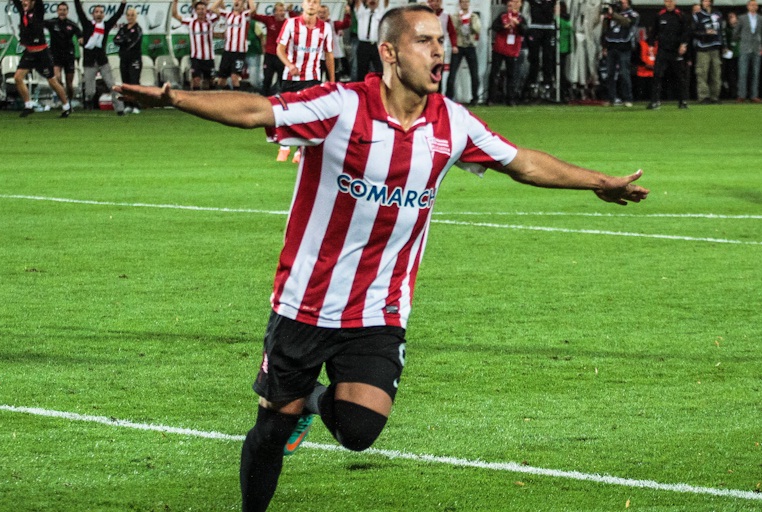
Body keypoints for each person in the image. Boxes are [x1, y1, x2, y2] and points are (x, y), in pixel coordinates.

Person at [117, 5, 649, 511]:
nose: (439, 50)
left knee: (359, 430)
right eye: (424, 41)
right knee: (272, 428)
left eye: (441, 40)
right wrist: (171, 96)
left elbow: (523, 162)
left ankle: (312, 401)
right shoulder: (340, 106)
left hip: (380, 307)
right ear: (389, 53)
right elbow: (258, 110)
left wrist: (599, 182)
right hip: (306, 300)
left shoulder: (453, 123)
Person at [274, 0, 334, 163]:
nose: (312, 4)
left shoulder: (325, 28)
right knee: (286, 113)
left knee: (307, 116)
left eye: (315, 2)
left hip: (312, 77)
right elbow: (279, 48)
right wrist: (289, 65)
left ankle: (300, 151)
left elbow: (329, 54)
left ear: (319, 6)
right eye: (309, 1)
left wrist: (332, 81)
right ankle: (284, 147)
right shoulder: (291, 23)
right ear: (302, 4)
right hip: (290, 77)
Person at [12, 0, 73, 117]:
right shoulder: (23, 11)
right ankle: (28, 106)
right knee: (18, 78)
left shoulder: (38, 11)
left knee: (52, 81)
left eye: (26, 0)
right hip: (29, 52)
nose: (23, 2)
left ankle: (66, 106)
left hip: (42, 54)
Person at [74, 0, 126, 113]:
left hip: (103, 62)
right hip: (89, 62)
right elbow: (79, 12)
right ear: (93, 14)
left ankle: (120, 109)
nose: (99, 14)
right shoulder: (87, 25)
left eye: (101, 12)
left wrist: (123, 4)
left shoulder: (106, 26)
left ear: (103, 15)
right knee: (90, 91)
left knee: (112, 85)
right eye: (96, 12)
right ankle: (88, 102)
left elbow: (117, 16)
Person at [647, 0, 691, 109]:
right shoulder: (659, 15)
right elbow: (653, 32)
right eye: (667, 1)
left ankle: (683, 101)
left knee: (680, 76)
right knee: (657, 75)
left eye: (671, 1)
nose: (669, 3)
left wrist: (683, 44)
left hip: (676, 50)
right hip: (663, 50)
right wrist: (651, 45)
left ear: (675, 2)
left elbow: (686, 31)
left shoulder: (681, 15)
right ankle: (655, 101)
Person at [173, 0, 219, 90]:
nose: (201, 11)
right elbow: (175, 15)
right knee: (196, 80)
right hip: (196, 58)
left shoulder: (211, 21)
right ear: (195, 11)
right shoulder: (190, 22)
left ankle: (211, 98)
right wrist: (175, 2)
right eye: (198, 9)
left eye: (203, 9)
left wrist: (213, 9)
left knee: (211, 81)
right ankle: (195, 97)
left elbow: (219, 15)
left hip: (209, 58)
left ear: (206, 10)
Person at [488, 0, 527, 105]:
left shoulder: (521, 18)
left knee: (511, 75)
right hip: (500, 48)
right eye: (510, 5)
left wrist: (518, 24)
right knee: (494, 73)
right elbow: (494, 27)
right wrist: (503, 27)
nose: (512, 7)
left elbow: (524, 31)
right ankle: (491, 98)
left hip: (512, 50)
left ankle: (510, 99)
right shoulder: (502, 16)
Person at [601, 0, 639, 107]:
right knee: (610, 74)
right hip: (611, 46)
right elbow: (605, 30)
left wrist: (613, 14)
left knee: (624, 73)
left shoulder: (633, 14)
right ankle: (611, 98)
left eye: (624, 2)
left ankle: (627, 98)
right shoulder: (611, 14)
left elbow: (627, 22)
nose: (622, 4)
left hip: (624, 47)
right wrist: (604, 45)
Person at [44, 1, 82, 104]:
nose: (62, 12)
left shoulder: (72, 24)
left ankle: (70, 101)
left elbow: (80, 35)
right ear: (57, 11)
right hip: (56, 55)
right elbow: (39, 23)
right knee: (56, 78)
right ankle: (63, 98)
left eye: (64, 10)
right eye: (60, 10)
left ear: (67, 11)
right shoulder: (52, 23)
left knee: (69, 83)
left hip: (69, 56)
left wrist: (81, 40)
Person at [213, 0, 256, 90]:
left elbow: (253, 9)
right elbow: (213, 8)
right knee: (221, 80)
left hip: (239, 53)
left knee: (234, 78)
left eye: (239, 0)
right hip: (227, 52)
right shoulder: (227, 15)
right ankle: (227, 95)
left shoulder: (245, 15)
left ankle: (237, 97)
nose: (237, 2)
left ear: (243, 3)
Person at [445, 0, 481, 104]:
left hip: (470, 46)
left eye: (466, 2)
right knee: (452, 73)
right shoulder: (455, 16)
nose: (465, 4)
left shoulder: (474, 16)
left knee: (474, 74)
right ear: (460, 4)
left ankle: (475, 98)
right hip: (458, 46)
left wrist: (470, 23)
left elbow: (477, 29)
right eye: (463, 2)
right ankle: (449, 97)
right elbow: (452, 30)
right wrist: (460, 22)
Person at [252, 2, 290, 95]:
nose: (282, 13)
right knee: (267, 80)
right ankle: (264, 99)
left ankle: (283, 100)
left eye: (283, 11)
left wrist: (291, 11)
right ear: (275, 12)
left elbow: (299, 20)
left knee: (283, 81)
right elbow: (254, 16)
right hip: (270, 56)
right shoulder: (269, 20)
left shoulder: (288, 22)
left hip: (282, 56)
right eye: (280, 10)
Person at [691, 0, 724, 103]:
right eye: (704, 1)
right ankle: (703, 96)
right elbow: (693, 31)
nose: (705, 3)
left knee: (716, 74)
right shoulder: (697, 16)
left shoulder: (718, 14)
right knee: (702, 73)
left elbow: (721, 31)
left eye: (707, 1)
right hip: (703, 48)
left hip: (715, 48)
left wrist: (723, 45)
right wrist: (705, 33)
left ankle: (715, 96)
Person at [113, 7, 144, 114]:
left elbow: (133, 43)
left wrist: (123, 40)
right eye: (128, 15)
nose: (130, 17)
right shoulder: (123, 28)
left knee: (134, 83)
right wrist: (124, 40)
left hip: (134, 59)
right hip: (123, 59)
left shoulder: (138, 29)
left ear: (136, 16)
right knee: (125, 83)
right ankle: (128, 105)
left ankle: (136, 105)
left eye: (132, 15)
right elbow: (116, 40)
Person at [525, 0, 557, 99]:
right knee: (534, 58)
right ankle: (532, 83)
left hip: (549, 29)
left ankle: (547, 83)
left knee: (548, 58)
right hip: (535, 28)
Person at [427, 0, 458, 93]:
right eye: (433, 1)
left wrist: (454, 45)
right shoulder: (425, 14)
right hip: (427, 48)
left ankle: (438, 93)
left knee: (438, 72)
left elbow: (452, 32)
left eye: (438, 1)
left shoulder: (445, 15)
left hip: (441, 48)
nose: (435, 4)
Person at [733, 0, 762, 102]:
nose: (754, 7)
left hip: (756, 48)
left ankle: (754, 95)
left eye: (755, 5)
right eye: (752, 5)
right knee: (743, 72)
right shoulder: (742, 18)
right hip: (745, 48)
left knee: (755, 73)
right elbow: (735, 33)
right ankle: (742, 95)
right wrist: (743, 39)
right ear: (748, 6)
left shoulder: (760, 18)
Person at [318, 3, 352, 81]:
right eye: (320, 12)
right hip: (319, 57)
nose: (322, 14)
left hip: (332, 57)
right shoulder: (314, 25)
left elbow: (346, 24)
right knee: (317, 79)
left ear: (328, 14)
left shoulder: (334, 24)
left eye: (324, 12)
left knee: (333, 79)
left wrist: (347, 13)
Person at [354, 0, 387, 80]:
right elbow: (358, 2)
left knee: (380, 70)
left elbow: (386, 3)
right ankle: (361, 87)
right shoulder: (361, 13)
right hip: (363, 45)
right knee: (361, 70)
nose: (372, 1)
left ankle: (380, 87)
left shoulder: (382, 13)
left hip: (377, 45)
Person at [722, 11, 739, 99]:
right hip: (730, 56)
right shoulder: (726, 30)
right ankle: (733, 94)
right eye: (729, 18)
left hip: (739, 55)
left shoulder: (741, 29)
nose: (731, 19)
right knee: (731, 75)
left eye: (732, 17)